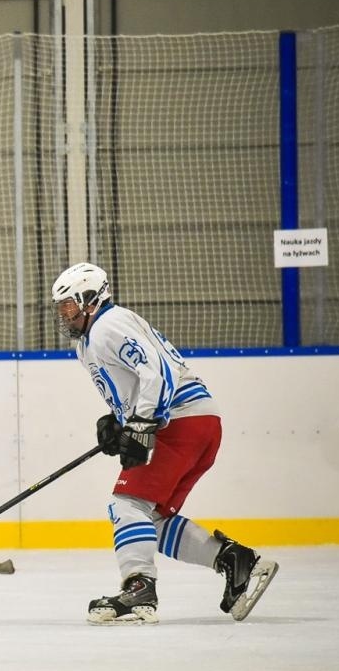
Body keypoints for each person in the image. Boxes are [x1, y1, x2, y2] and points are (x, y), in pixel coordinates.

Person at [51, 263, 278, 624]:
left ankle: (139, 588)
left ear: (90, 300)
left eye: (68, 304)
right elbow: (134, 383)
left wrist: (142, 423)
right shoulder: (90, 340)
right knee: (148, 519)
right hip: (195, 423)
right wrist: (119, 422)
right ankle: (235, 560)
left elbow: (157, 371)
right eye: (60, 307)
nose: (63, 313)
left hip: (183, 420)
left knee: (127, 503)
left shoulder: (109, 325)